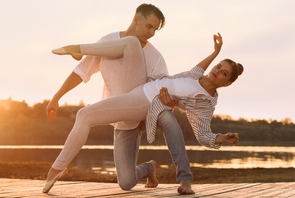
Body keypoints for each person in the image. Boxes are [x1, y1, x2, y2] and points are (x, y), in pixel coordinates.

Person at [43, 33, 242, 194]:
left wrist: (222, 137)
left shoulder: (205, 103)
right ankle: (148, 169)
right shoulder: (195, 76)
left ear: (228, 83)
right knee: (126, 183)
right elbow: (201, 67)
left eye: (224, 73)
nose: (218, 71)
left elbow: (203, 133)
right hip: (141, 85)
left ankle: (57, 168)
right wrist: (215, 52)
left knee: (85, 115)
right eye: (218, 67)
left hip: (146, 103)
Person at [44, 4, 194, 194]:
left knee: (167, 117)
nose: (151, 33)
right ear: (136, 19)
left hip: (147, 111)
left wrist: (171, 101)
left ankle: (185, 179)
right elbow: (81, 72)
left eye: (155, 30)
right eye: (149, 26)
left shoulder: (155, 56)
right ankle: (149, 168)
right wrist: (56, 97)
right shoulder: (106, 42)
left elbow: (162, 90)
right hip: (122, 117)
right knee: (126, 182)